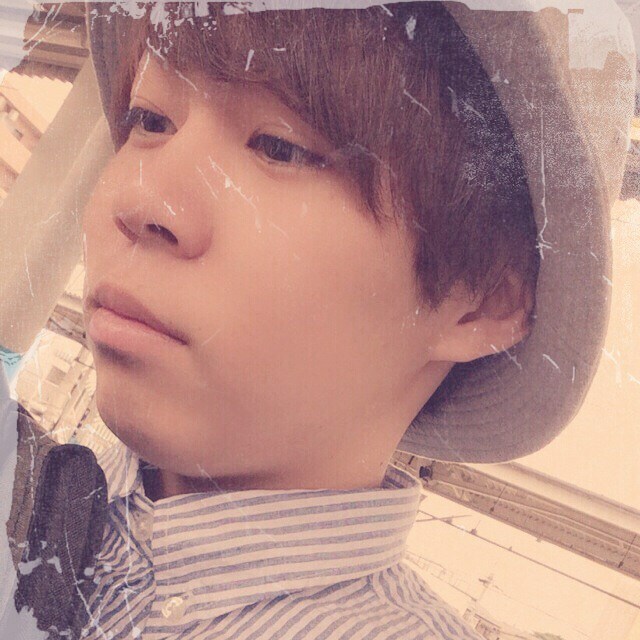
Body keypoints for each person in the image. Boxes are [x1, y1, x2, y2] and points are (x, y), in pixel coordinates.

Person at [5, 1, 634, 639]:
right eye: (149, 120)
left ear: (481, 301)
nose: (142, 198)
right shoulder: (28, 495)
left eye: (279, 147)